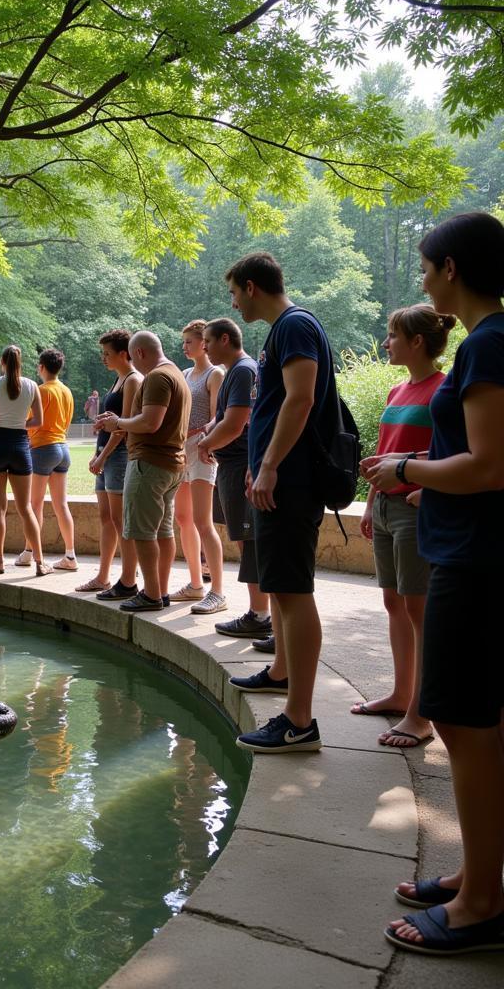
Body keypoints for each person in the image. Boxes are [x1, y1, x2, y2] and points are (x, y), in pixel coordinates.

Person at [363, 213, 504, 956]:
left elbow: (490, 465)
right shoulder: (488, 343)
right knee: (476, 723)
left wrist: (405, 470)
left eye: (424, 265)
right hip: (470, 547)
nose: (420, 277)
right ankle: (482, 874)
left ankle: (483, 902)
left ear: (450, 268)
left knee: (465, 722)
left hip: (476, 559)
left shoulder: (487, 345)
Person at [225, 252, 338, 753]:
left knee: (292, 592)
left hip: (289, 482)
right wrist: (260, 461)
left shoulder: (293, 326)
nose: (231, 302)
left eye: (234, 291)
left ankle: (299, 721)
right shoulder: (286, 329)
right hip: (277, 478)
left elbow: (300, 398)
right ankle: (280, 672)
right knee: (283, 588)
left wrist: (270, 465)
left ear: (251, 287)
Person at [354, 305, 450, 748]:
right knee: (394, 603)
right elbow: (386, 449)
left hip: (416, 508)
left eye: (394, 335)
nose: (387, 341)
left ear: (416, 342)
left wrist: (422, 489)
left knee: (419, 609)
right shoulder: (396, 390)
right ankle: (400, 694)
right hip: (387, 508)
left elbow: (456, 453)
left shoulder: (444, 391)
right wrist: (372, 502)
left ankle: (422, 713)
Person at [94, 330, 190, 612]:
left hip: (150, 464)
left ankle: (150, 595)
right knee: (162, 531)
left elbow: (150, 422)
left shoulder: (158, 377)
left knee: (142, 531)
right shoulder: (176, 373)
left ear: (139, 353)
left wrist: (118, 423)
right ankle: (160, 590)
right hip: (171, 465)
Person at [197, 318, 272, 644]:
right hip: (234, 464)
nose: (205, 348)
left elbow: (237, 422)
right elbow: (224, 415)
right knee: (244, 538)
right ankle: (259, 612)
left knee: (249, 540)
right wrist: (211, 430)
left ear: (224, 339)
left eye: (208, 342)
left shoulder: (243, 370)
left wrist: (206, 442)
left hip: (240, 462)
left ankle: (259, 614)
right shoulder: (236, 371)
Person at [78, 330, 142, 597]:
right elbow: (115, 419)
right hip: (104, 453)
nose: (103, 358)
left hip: (118, 456)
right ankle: (103, 577)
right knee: (106, 518)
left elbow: (125, 425)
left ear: (123, 354)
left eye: (107, 353)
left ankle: (128, 581)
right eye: (102, 353)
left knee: (120, 520)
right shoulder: (118, 380)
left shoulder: (133, 380)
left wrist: (102, 456)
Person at [171, 320, 227, 614]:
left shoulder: (215, 374)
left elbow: (218, 417)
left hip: (203, 454)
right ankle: (195, 585)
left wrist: (201, 439)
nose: (184, 347)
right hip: (182, 455)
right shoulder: (184, 373)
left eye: (189, 342)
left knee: (204, 522)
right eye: (184, 343)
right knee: (183, 518)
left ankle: (217, 591)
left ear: (204, 343)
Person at [0, 345, 49, 576]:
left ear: (2, 362)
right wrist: (20, 425)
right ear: (20, 363)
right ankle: (39, 563)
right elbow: (38, 420)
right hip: (20, 446)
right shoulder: (31, 386)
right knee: (26, 508)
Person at [27, 348, 78, 572]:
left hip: (42, 449)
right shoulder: (66, 391)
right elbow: (66, 423)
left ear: (42, 367)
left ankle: (30, 553)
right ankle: (70, 555)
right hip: (62, 448)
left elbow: (33, 422)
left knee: (34, 505)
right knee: (61, 504)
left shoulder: (41, 391)